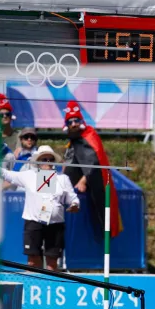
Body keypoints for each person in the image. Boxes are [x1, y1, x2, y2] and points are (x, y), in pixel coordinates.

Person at [1, 145, 80, 271]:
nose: (48, 162)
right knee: (32, 261)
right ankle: (32, 288)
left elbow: (73, 198)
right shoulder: (29, 175)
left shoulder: (62, 179)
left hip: (55, 224)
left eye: (50, 159)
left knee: (52, 264)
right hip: (34, 222)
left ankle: (50, 288)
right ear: (37, 162)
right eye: (44, 159)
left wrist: (75, 205)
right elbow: (6, 174)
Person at [62, 100, 122, 241]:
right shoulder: (73, 141)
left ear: (81, 121)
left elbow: (94, 163)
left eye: (76, 120)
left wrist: (83, 181)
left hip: (86, 188)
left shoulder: (89, 137)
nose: (74, 124)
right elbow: (70, 162)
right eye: (70, 122)